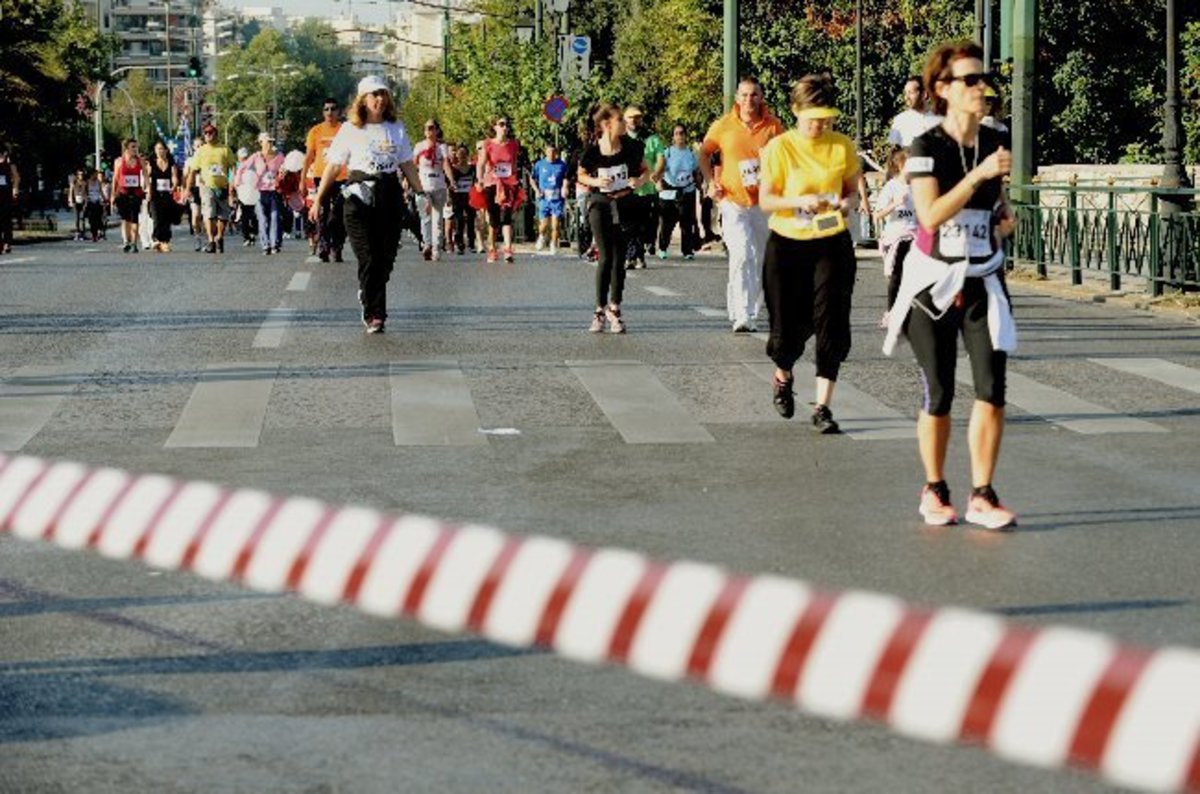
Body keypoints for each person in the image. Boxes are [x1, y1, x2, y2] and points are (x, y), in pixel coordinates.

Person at [882, 40, 1018, 530]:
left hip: (984, 275)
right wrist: (978, 175)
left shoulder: (996, 138)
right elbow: (931, 215)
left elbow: (996, 202)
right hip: (933, 281)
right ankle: (935, 487)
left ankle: (982, 493)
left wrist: (1005, 216)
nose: (982, 87)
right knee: (939, 390)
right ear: (943, 89)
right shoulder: (926, 146)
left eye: (983, 78)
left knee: (992, 386)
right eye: (970, 80)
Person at [757, 73, 860, 434]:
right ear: (796, 110)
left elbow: (853, 192)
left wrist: (845, 204)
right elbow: (766, 201)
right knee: (787, 328)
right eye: (813, 116)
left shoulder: (841, 146)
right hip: (787, 244)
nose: (820, 123)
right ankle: (783, 374)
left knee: (831, 319)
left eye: (826, 116)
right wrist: (799, 201)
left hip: (831, 240)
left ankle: (822, 407)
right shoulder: (779, 148)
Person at [310, 75, 423, 334]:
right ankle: (375, 312)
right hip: (358, 198)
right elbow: (334, 167)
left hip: (389, 195)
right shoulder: (350, 130)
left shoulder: (396, 128)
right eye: (374, 95)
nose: (380, 99)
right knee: (368, 256)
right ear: (363, 100)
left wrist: (421, 194)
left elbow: (406, 164)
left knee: (385, 258)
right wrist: (318, 199)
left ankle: (369, 289)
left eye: (383, 94)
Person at [700, 76, 786, 333]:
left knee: (759, 257)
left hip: (763, 202)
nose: (749, 100)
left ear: (761, 97)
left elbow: (785, 158)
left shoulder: (773, 126)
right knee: (741, 255)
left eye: (754, 95)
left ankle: (753, 310)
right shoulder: (724, 125)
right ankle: (741, 313)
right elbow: (704, 152)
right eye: (745, 95)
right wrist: (709, 182)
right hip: (732, 200)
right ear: (737, 98)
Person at [577, 103, 649, 333]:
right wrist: (597, 181)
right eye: (620, 120)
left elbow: (645, 170)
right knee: (605, 256)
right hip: (600, 203)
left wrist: (639, 181)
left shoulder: (631, 146)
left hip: (625, 203)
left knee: (620, 258)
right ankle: (599, 310)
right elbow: (581, 175)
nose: (624, 124)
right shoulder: (593, 150)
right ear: (606, 125)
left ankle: (615, 308)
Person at [873, 148, 917, 325]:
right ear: (900, 165)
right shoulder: (891, 187)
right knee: (896, 276)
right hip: (897, 237)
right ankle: (891, 313)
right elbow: (877, 215)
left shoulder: (919, 185)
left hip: (917, 235)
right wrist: (895, 203)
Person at [622, 106, 664, 268]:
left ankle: (638, 254)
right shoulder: (620, 139)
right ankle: (632, 256)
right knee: (629, 225)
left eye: (637, 117)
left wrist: (657, 173)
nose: (634, 120)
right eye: (631, 117)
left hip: (647, 188)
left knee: (645, 225)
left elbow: (660, 159)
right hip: (627, 188)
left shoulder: (651, 139)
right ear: (625, 119)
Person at [477, 116, 522, 263]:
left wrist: (516, 181)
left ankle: (508, 250)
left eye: (506, 125)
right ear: (495, 127)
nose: (505, 127)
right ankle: (492, 248)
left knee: (506, 216)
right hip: (492, 184)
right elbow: (481, 164)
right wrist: (480, 180)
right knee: (494, 219)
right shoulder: (488, 144)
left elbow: (514, 164)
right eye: (501, 124)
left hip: (508, 184)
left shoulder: (513, 145)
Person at [654, 123, 700, 260]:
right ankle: (662, 248)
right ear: (673, 137)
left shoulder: (691, 154)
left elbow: (696, 171)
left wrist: (700, 186)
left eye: (682, 133)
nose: (679, 136)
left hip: (687, 191)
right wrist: (657, 179)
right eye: (676, 133)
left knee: (687, 223)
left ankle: (687, 251)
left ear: (686, 136)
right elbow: (660, 169)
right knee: (667, 224)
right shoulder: (667, 152)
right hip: (669, 193)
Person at [192, 124, 236, 253]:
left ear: (216, 134)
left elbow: (233, 166)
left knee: (223, 215)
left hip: (222, 186)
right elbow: (193, 170)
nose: (208, 135)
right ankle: (211, 240)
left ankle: (220, 237)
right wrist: (187, 188)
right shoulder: (201, 150)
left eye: (210, 133)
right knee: (209, 213)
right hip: (207, 186)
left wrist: (232, 181)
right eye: (205, 133)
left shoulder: (224, 149)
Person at [412, 119, 453, 261]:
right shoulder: (419, 146)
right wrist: (408, 182)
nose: (429, 131)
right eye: (426, 128)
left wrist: (451, 181)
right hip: (423, 186)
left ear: (436, 130)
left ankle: (436, 248)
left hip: (439, 185)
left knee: (437, 219)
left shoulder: (442, 147)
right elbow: (413, 166)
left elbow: (446, 165)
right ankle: (427, 244)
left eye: (431, 128)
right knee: (426, 216)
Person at [248, 132, 285, 255]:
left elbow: (285, 169)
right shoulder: (255, 157)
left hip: (274, 191)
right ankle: (265, 245)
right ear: (260, 143)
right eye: (267, 141)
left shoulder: (279, 156)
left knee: (275, 218)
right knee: (262, 219)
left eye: (271, 141)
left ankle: (275, 244)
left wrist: (282, 174)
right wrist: (240, 182)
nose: (269, 144)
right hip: (259, 192)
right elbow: (243, 169)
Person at [531, 143, 568, 255]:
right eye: (549, 152)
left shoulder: (562, 165)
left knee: (556, 224)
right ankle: (541, 236)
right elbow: (532, 179)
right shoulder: (540, 164)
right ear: (545, 152)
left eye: (553, 152)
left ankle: (553, 244)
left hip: (557, 199)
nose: (551, 154)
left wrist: (565, 187)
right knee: (544, 224)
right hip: (544, 198)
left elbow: (566, 178)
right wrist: (537, 190)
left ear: (556, 153)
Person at [887, 76, 943, 150]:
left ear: (924, 95)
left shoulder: (940, 121)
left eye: (910, 93)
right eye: (905, 93)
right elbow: (894, 153)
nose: (906, 97)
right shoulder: (899, 121)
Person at [110, 138, 145, 253]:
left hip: (136, 192)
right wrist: (113, 194)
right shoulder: (119, 161)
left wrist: (148, 188)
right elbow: (115, 178)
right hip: (123, 192)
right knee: (125, 218)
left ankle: (134, 243)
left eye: (136, 147)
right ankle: (126, 241)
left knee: (134, 218)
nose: (135, 149)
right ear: (126, 148)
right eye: (133, 147)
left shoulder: (140, 161)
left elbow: (145, 175)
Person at [146, 139, 179, 252]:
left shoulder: (171, 163)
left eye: (162, 149)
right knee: (156, 217)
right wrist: (147, 191)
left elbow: (174, 177)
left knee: (166, 219)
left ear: (166, 150)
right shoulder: (151, 163)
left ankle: (165, 241)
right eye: (157, 149)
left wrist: (174, 186)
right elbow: (147, 178)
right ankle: (157, 239)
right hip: (155, 194)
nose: (160, 151)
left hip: (167, 194)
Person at [448, 143, 476, 255]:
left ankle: (471, 244)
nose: (462, 156)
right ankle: (459, 244)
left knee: (471, 220)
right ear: (457, 156)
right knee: (459, 220)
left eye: (464, 154)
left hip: (470, 197)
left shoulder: (472, 168)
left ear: (468, 155)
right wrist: (449, 197)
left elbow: (476, 181)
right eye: (460, 154)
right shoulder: (453, 170)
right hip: (457, 197)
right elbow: (449, 185)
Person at [232, 147, 259, 247]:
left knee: (253, 216)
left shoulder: (255, 166)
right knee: (245, 216)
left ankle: (252, 234)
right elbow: (233, 182)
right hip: (243, 195)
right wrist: (233, 194)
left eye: (245, 157)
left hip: (253, 194)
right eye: (242, 158)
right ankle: (247, 236)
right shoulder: (237, 167)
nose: (244, 159)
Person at [183, 136, 205, 250]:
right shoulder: (190, 161)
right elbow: (185, 176)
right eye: (197, 146)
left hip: (206, 189)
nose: (200, 148)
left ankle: (208, 238)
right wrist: (185, 190)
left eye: (202, 145)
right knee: (196, 215)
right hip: (194, 189)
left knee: (207, 216)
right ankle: (197, 237)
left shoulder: (208, 159)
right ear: (193, 147)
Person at [0, 145, 19, 254]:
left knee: (6, 219)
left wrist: (15, 189)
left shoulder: (10, 165)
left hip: (6, 193)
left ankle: (7, 242)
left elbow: (16, 177)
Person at [82, 167, 107, 242]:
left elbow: (100, 191)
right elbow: (84, 193)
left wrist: (104, 199)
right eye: (94, 174)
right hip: (90, 202)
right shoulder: (87, 182)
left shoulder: (98, 182)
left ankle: (99, 232)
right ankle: (94, 235)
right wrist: (86, 200)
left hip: (97, 202)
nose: (95, 176)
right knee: (92, 220)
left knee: (98, 218)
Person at [67, 168, 88, 240]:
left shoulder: (85, 183)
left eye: (82, 174)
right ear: (77, 175)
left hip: (83, 202)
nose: (81, 176)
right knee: (77, 218)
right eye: (79, 174)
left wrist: (87, 201)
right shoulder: (74, 182)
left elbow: (87, 192)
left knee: (82, 218)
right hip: (76, 202)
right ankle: (77, 233)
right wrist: (70, 200)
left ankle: (83, 233)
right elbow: (71, 191)